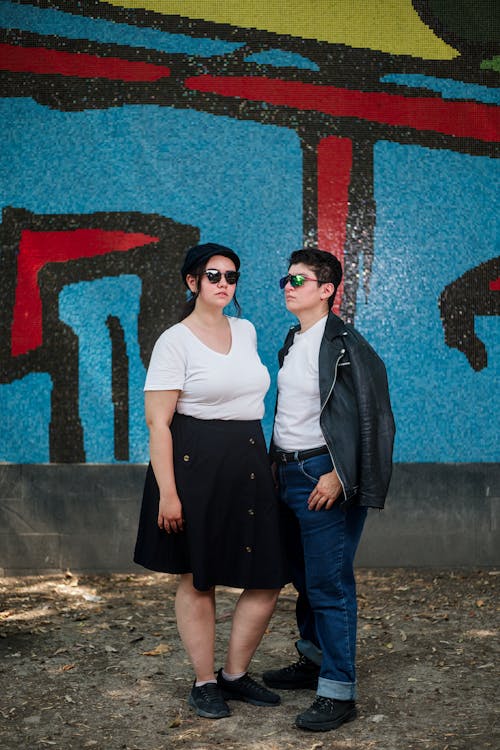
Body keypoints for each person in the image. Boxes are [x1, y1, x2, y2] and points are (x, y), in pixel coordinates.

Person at [134, 242, 287, 720]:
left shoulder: (246, 330)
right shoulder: (174, 340)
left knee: (267, 577)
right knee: (198, 579)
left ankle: (235, 675)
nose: (224, 284)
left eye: (232, 276)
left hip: (248, 461)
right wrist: (169, 493)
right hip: (193, 464)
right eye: (214, 275)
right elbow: (159, 423)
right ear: (192, 281)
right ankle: (204, 682)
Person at [262, 248, 395, 732]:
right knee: (303, 577)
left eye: (300, 280)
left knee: (329, 584)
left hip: (325, 477)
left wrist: (341, 474)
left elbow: (375, 420)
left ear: (326, 290)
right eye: (286, 278)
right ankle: (314, 658)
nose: (288, 286)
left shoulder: (349, 347)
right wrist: (276, 463)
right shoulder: (293, 341)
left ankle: (338, 690)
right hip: (288, 474)